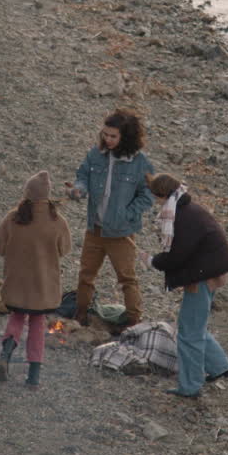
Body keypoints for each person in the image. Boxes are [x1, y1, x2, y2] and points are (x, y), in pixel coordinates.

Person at [65, 109, 154, 328]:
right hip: (95, 229)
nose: (108, 139)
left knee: (127, 279)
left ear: (126, 137)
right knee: (86, 275)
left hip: (121, 233)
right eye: (105, 134)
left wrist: (127, 213)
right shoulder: (96, 155)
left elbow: (149, 193)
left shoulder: (140, 162)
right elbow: (82, 176)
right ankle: (81, 315)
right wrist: (78, 190)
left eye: (113, 136)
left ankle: (134, 322)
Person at [148, 173, 228, 398]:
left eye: (156, 198)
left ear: (162, 195)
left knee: (188, 333)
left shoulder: (181, 217)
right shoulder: (190, 208)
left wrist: (153, 261)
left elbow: (177, 257)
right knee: (196, 325)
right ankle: (220, 367)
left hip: (202, 276)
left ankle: (191, 386)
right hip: (214, 271)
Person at [0, 171, 72, 389]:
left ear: (26, 193)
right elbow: (64, 250)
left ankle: (5, 355)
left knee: (17, 317)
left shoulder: (12, 217)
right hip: (44, 284)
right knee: (37, 324)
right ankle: (33, 377)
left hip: (16, 282)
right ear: (48, 195)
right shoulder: (58, 222)